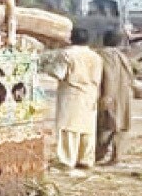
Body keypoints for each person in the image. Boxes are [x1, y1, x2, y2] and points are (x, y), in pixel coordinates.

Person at [43, 27, 103, 169]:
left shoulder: (67, 54)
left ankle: (67, 159)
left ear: (71, 38)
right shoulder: (96, 56)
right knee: (87, 128)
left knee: (68, 128)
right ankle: (85, 159)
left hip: (71, 93)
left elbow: (59, 73)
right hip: (90, 93)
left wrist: (47, 67)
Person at [96, 30, 134, 164]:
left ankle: (99, 155)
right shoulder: (123, 56)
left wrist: (107, 96)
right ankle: (116, 156)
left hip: (110, 95)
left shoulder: (104, 55)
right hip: (125, 96)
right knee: (121, 126)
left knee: (105, 126)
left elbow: (109, 76)